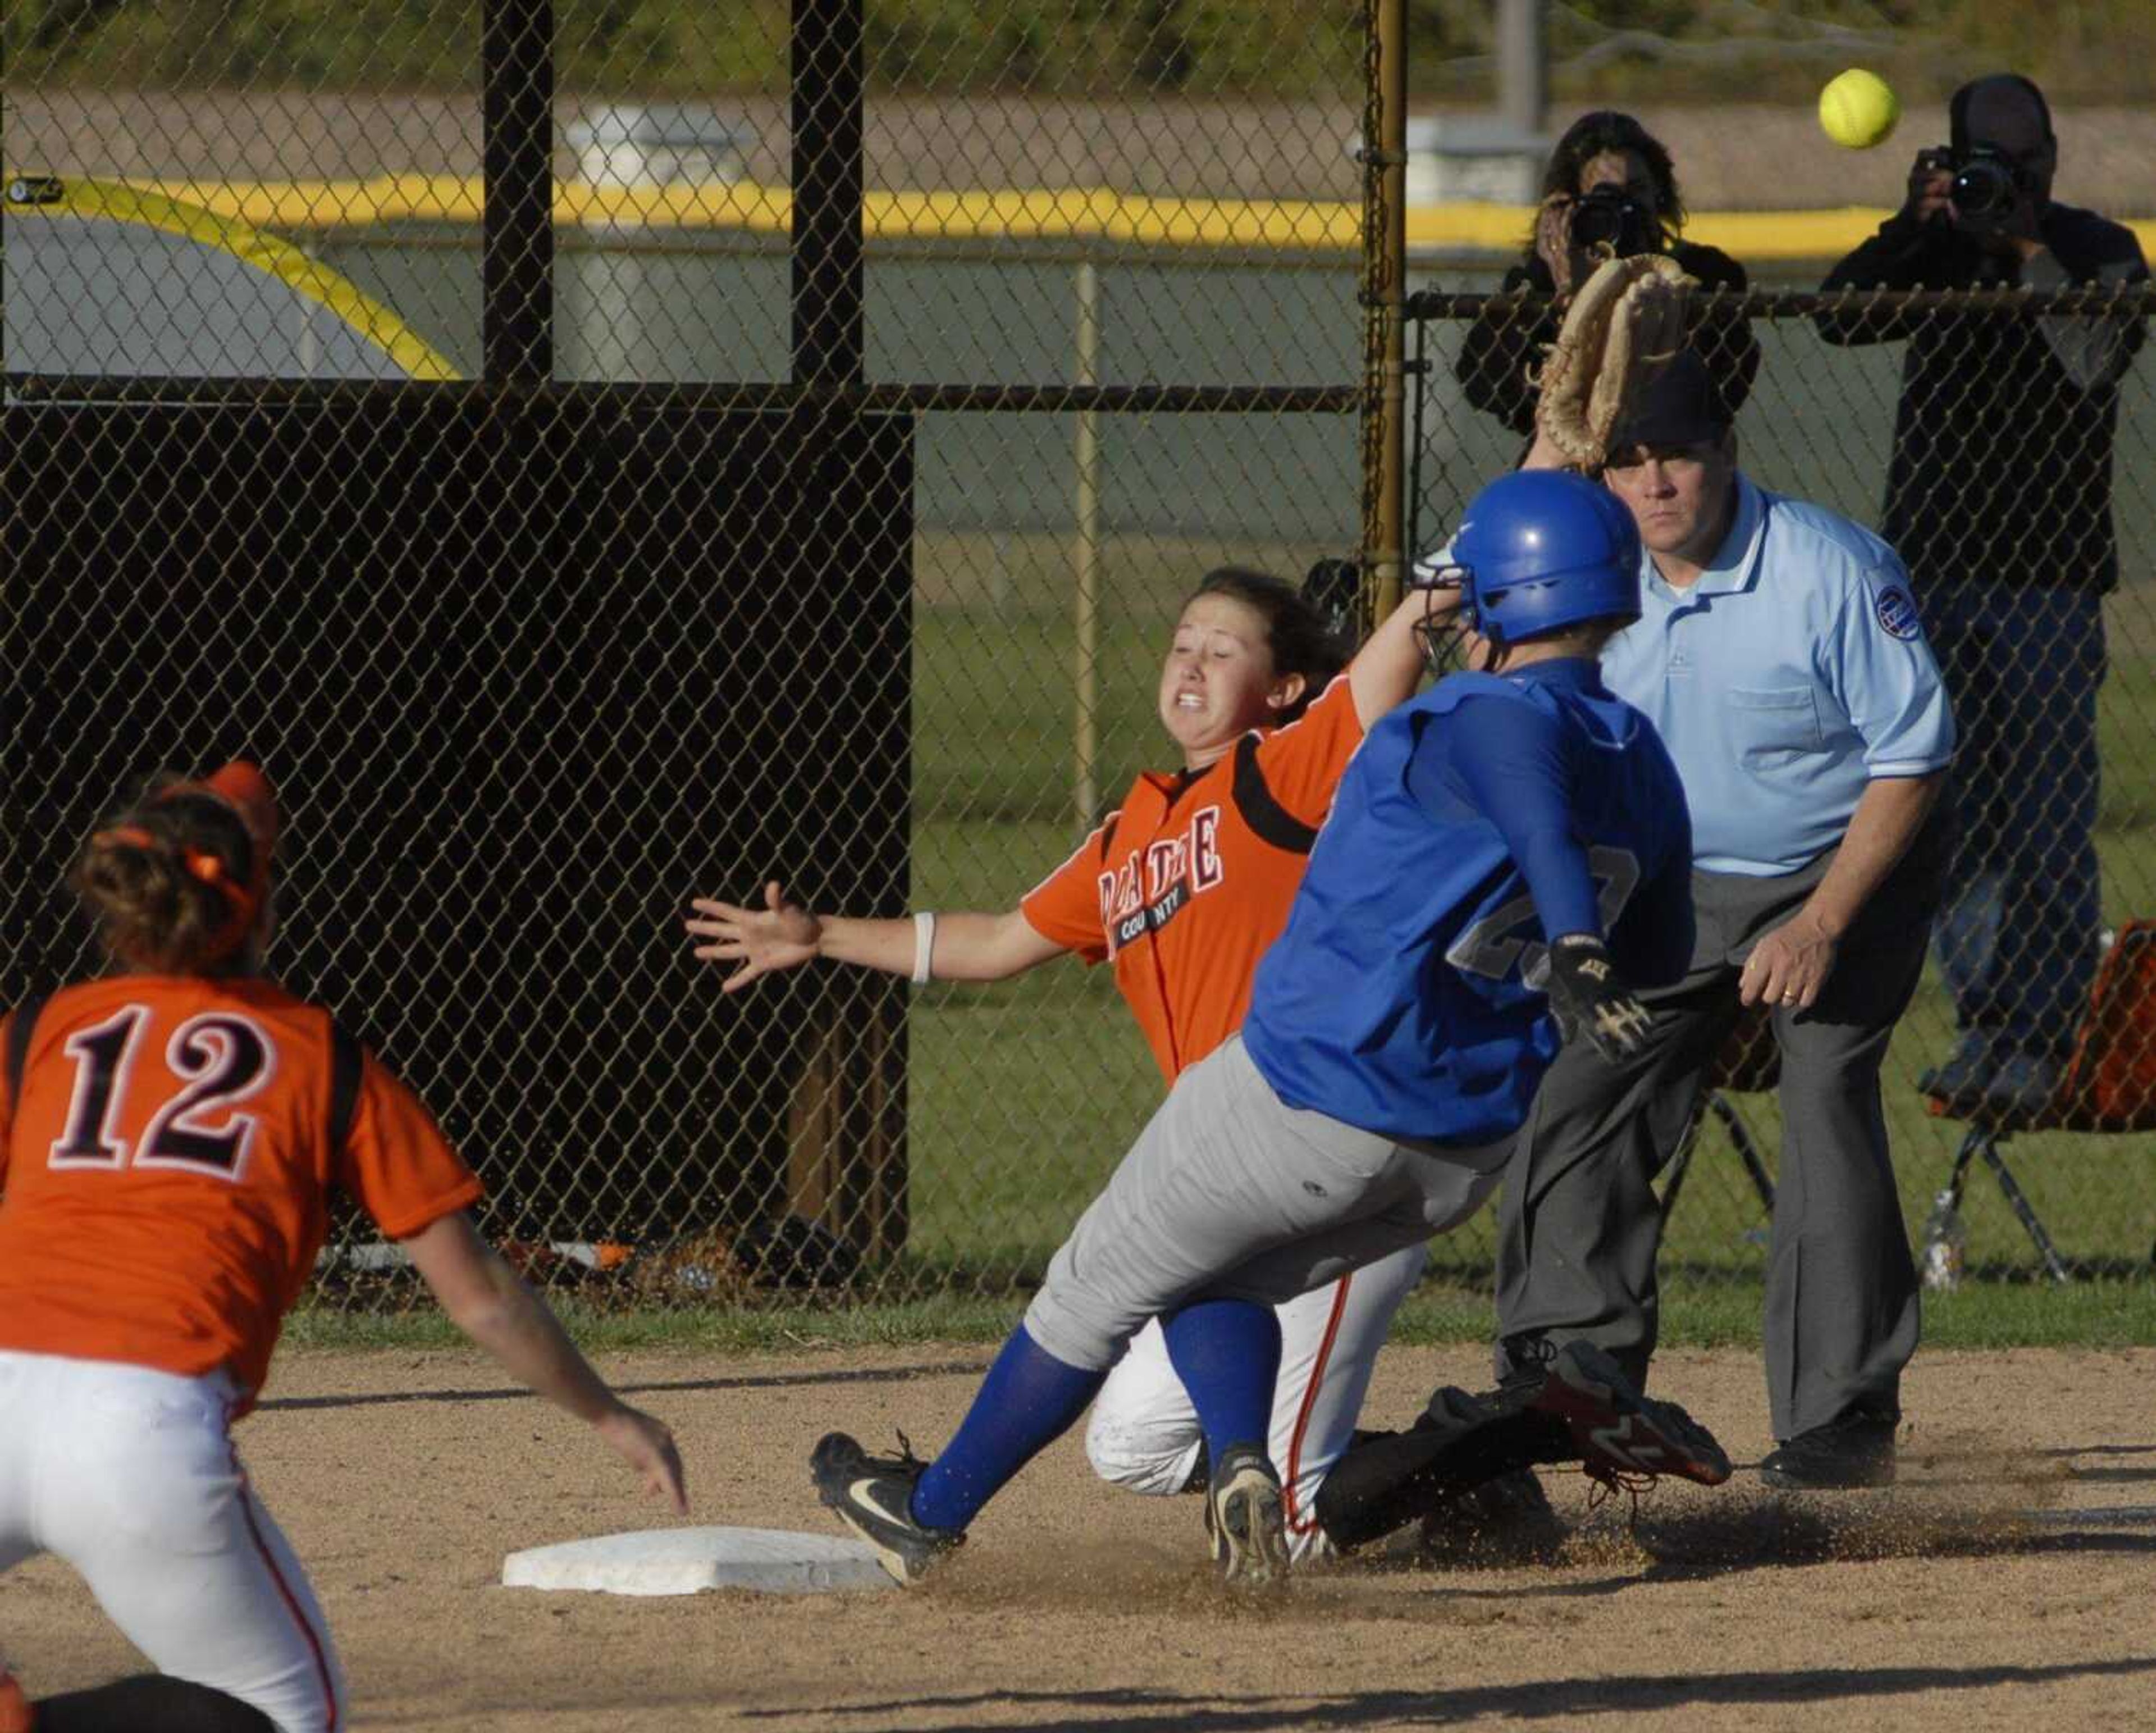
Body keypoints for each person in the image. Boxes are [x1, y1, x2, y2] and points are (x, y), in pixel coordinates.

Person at [802, 469, 1729, 1591]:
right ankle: (1243, 1461)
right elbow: (1668, 948)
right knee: (1207, 1272)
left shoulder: (1476, 714)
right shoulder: (1642, 759)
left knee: (1092, 1288)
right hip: (1458, 1147)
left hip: (1312, 1088)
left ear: (1491, 597)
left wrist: (1571, 939)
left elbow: (1522, 779)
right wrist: (1587, 958)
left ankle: (931, 1510)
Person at [689, 567, 1477, 1565]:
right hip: (1237, 1152)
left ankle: (1486, 1449)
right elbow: (995, 941)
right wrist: (823, 935)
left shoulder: (1282, 773)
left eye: (1223, 649)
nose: (1191, 661)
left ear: (1281, 690)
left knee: (1301, 1522)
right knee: (1132, 1445)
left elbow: (1383, 667)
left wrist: (1441, 586)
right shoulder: (1127, 838)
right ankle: (1262, 1465)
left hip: (1323, 1132)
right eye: (1182, 641)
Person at [0, 765, 687, 1733]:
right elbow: (483, 1295)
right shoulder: (318, 1058)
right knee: (282, 1712)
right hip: (140, 1435)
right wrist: (611, 1416)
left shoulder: (39, 1032)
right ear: (260, 906)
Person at [1482, 350, 1956, 1492]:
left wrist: (1823, 924)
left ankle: (1839, 1419)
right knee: (1584, 1082)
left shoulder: (1827, 567)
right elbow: (1476, 620)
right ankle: (1568, 1367)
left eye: (1676, 456)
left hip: (1841, 864)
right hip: (1671, 877)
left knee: (1827, 1086)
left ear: (1727, 453)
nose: (1653, 485)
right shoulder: (1588, 567)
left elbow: (1913, 757)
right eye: (1627, 462)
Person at [1815, 73, 2148, 1120]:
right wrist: (1917, 228)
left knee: (2047, 814)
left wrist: (2027, 248)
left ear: (2055, 151)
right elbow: (1836, 317)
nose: (2021, 175)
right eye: (1995, 159)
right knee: (1952, 819)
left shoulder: (2100, 249)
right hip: (1937, 571)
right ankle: (1985, 1027)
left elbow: (2095, 357)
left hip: (2049, 576)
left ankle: (2045, 1037)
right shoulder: (1939, 242)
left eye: (2032, 155)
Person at [1456, 110, 1759, 447]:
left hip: (1665, 455)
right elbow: (1488, 387)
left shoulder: (1705, 272)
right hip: (1567, 455)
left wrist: (1660, 304)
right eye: (1607, 196)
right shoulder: (1537, 284)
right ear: (1573, 204)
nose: (1626, 208)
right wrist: (1562, 285)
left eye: (1638, 192)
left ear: (1660, 194)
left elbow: (1728, 386)